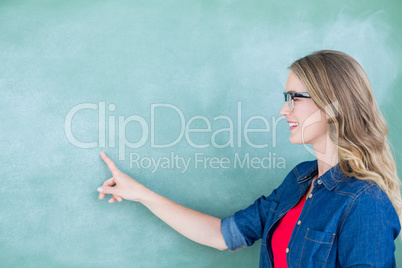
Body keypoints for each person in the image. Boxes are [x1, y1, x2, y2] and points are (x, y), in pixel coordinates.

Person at [97, 50, 401, 267]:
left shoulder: (366, 201)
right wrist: (140, 193)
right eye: (286, 99)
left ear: (333, 106)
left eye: (295, 98)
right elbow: (223, 234)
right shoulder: (299, 180)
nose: (285, 110)